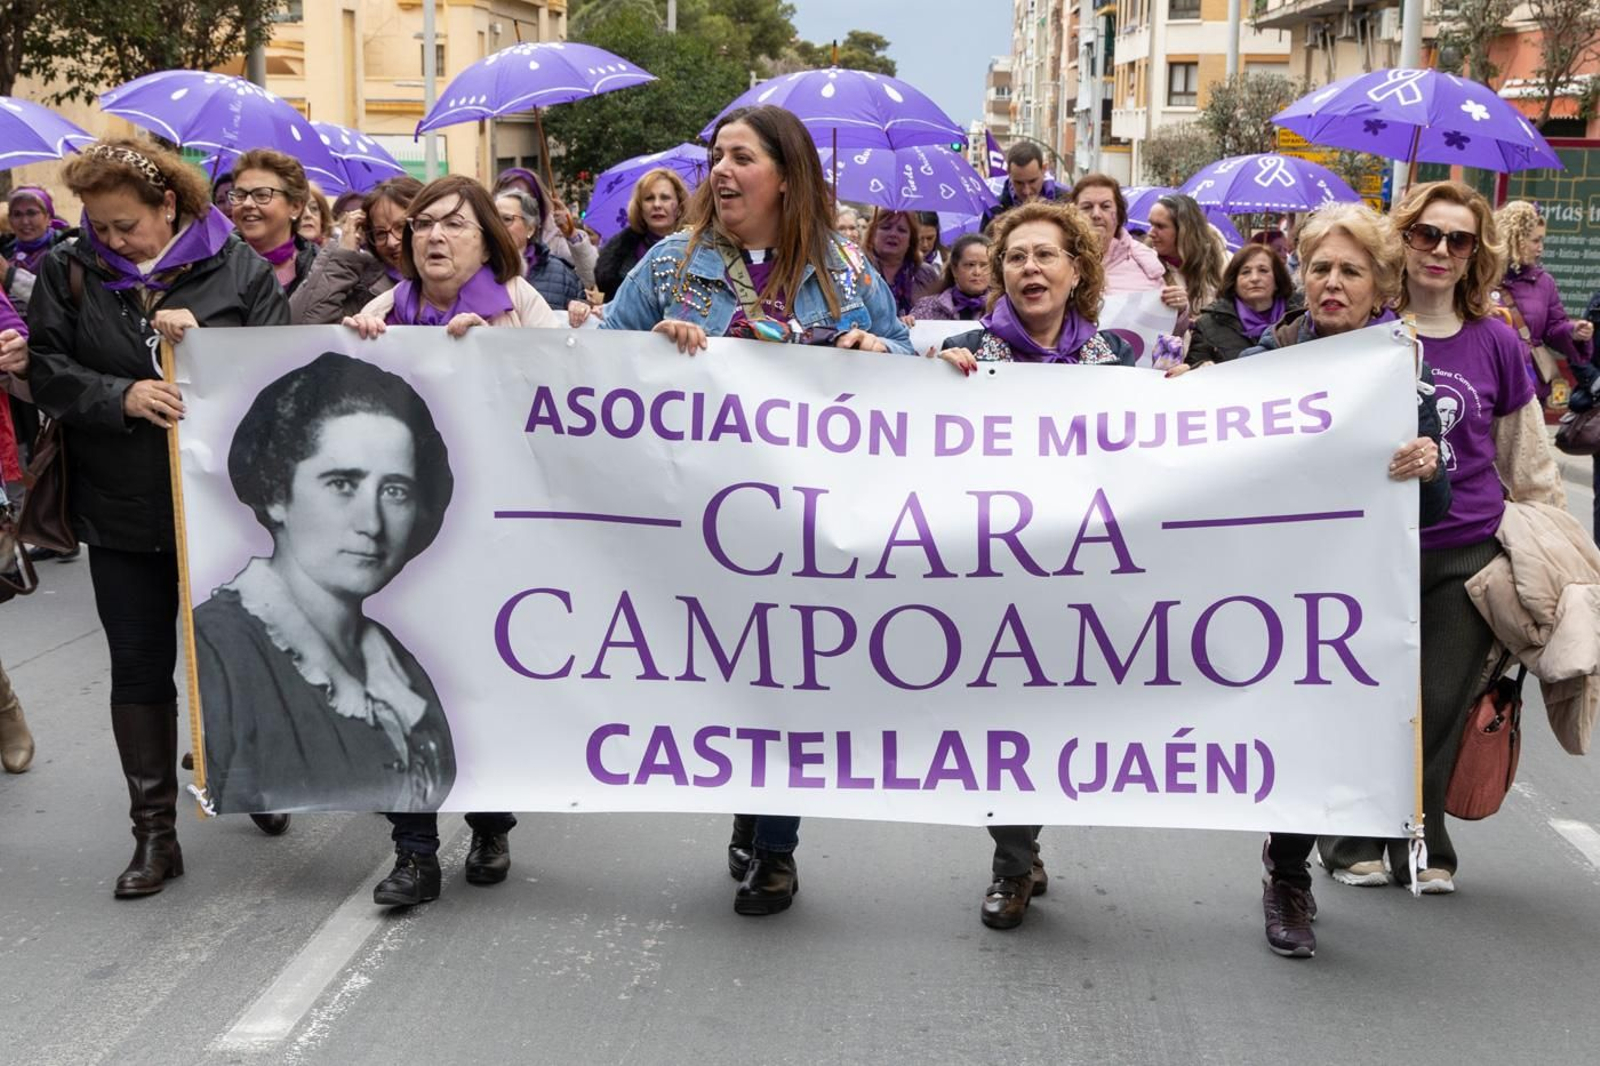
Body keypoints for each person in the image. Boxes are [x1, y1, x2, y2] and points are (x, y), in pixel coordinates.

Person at [603, 105, 912, 915]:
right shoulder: (671, 267)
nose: (721, 172)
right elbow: (592, 365)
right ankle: (751, 802)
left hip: (809, 529)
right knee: (731, 674)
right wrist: (646, 355)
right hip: (700, 520)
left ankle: (777, 850)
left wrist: (885, 354)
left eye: (741, 156)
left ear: (786, 174)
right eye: (716, 157)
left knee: (792, 680)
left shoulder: (847, 273)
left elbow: (909, 370)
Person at [27, 138, 290, 897]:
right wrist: (120, 397)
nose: (110, 242)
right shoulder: (68, 269)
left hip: (228, 504)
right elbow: (47, 366)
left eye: (125, 226)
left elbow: (280, 371)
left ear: (167, 205)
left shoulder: (234, 264)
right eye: (97, 227)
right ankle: (156, 836)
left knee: (239, 653)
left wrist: (208, 350)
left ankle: (253, 776)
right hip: (119, 503)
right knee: (139, 668)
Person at [1311, 184, 1561, 904]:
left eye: (1459, 240)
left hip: (1465, 553)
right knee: (1366, 698)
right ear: (1402, 241)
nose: (1442, 251)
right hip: (1362, 554)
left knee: (1438, 700)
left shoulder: (1498, 341)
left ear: (1476, 254)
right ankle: (1352, 837)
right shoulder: (1362, 326)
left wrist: (1541, 545)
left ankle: (1420, 838)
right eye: (1427, 234)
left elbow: (1528, 457)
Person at [1236, 201, 1451, 957]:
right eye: (1320, 267)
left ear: (1379, 285)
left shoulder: (1401, 371)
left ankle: (1298, 865)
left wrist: (1429, 464)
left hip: (1355, 592)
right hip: (1268, 584)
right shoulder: (1262, 359)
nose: (1332, 283)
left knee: (1328, 728)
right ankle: (1288, 871)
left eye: (1350, 271)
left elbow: (1434, 502)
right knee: (1284, 727)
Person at [343, 174, 562, 906]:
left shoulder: (521, 307)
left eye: (454, 226)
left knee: (476, 689)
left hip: (497, 535)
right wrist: (358, 343)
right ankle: (413, 854)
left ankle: (492, 819)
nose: (434, 237)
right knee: (402, 683)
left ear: (488, 240)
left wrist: (499, 356)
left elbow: (565, 401)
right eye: (422, 226)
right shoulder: (385, 310)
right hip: (410, 540)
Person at [936, 201, 1133, 929]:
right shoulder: (967, 352)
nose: (1029, 269)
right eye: (1015, 257)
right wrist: (930, 384)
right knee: (1004, 719)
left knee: (1059, 718)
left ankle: (1024, 842)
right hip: (993, 574)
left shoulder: (1116, 361)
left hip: (1085, 574)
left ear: (1076, 269)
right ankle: (1012, 861)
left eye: (1045, 255)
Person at [195, 353, 456, 814]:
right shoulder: (221, 648)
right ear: (278, 492)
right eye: (342, 484)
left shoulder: (398, 666)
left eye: (395, 491)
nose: (371, 523)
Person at [1494, 200, 1594, 404]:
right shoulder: (1481, 277)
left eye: (1542, 240)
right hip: (1490, 377)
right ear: (1514, 239)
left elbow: (1553, 328)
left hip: (1528, 384)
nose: (1540, 248)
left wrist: (1573, 331)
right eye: (1535, 240)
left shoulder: (1543, 282)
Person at [290, 176, 422, 325]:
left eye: (401, 227)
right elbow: (302, 323)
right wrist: (343, 254)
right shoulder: (363, 285)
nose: (391, 242)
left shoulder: (450, 281)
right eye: (380, 233)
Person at [1186, 244, 1300, 365]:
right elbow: (1193, 369)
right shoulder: (1208, 324)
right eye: (1245, 272)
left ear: (1277, 280)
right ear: (1234, 282)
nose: (1254, 278)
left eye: (1263, 270)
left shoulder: (1299, 318)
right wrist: (1199, 367)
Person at [228, 148, 318, 296]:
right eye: (240, 194)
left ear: (295, 207)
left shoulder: (319, 270)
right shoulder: (212, 264)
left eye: (262, 195)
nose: (247, 204)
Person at [594, 167, 690, 302]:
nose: (657, 205)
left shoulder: (696, 249)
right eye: (649, 198)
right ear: (640, 207)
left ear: (680, 206)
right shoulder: (619, 258)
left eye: (665, 198)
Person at [494, 167, 597, 290]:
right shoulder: (481, 255)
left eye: (525, 197)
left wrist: (572, 234)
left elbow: (592, 277)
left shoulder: (555, 238)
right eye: (509, 195)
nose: (516, 202)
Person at [494, 188, 588, 318]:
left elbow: (580, 331)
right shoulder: (476, 270)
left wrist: (581, 309)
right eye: (493, 220)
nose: (498, 226)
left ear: (530, 228)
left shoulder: (562, 274)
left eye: (506, 219)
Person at [1069, 174, 1163, 294]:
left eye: (1105, 206)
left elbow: (1163, 308)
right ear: (1071, 214)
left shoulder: (1145, 260)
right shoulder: (1057, 257)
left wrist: (1180, 309)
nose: (1096, 214)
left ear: (1119, 215)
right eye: (1087, 207)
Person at [1147, 193, 1226, 335]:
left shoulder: (1223, 263)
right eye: (1151, 224)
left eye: (1160, 226)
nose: (1151, 233)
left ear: (1184, 231)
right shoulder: (1146, 266)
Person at [864, 209, 939, 319]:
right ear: (872, 234)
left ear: (911, 239)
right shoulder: (858, 269)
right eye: (886, 227)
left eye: (902, 230)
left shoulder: (926, 274)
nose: (893, 234)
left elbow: (937, 315)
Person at [980, 141, 1065, 228]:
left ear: (1044, 169)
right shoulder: (994, 210)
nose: (1026, 191)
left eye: (1032, 181)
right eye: (1019, 183)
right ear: (1008, 173)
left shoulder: (1065, 203)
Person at [909, 233, 991, 321]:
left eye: (984, 265)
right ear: (954, 269)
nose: (977, 272)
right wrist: (905, 324)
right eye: (970, 265)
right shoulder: (928, 307)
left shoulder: (1001, 309)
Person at [3, 187, 70, 275]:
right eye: (17, 214)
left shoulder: (66, 254)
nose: (25, 221)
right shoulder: (5, 253)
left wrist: (10, 276)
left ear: (48, 218)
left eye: (32, 213)